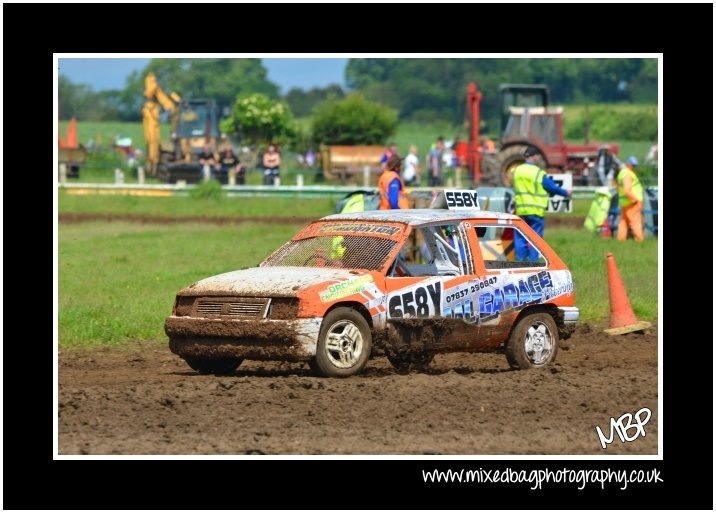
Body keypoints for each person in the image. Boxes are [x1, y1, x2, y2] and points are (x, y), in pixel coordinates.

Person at [512, 147, 571, 261]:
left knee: (520, 236)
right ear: (534, 157)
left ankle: (520, 262)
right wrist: (565, 193)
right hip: (535, 210)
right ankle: (533, 262)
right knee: (535, 237)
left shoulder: (517, 171)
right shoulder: (538, 173)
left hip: (521, 210)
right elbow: (552, 188)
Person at [616, 156, 644, 242]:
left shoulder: (622, 173)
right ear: (628, 164)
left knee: (624, 222)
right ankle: (639, 241)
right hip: (632, 202)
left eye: (635, 165)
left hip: (625, 202)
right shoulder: (627, 174)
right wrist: (634, 199)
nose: (634, 167)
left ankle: (621, 240)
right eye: (633, 165)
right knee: (636, 222)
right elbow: (627, 190)